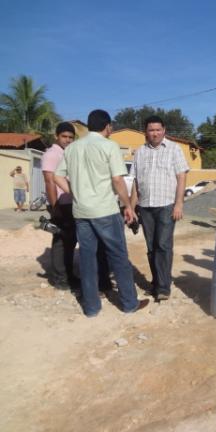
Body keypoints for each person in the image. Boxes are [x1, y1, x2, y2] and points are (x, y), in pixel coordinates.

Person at [54, 109, 149, 317]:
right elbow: (117, 180)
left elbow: (57, 177)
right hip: (105, 210)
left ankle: (91, 307)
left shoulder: (72, 148)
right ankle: (129, 303)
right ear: (108, 127)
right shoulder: (109, 146)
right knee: (119, 257)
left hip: (82, 212)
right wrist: (129, 207)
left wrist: (76, 193)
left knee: (87, 260)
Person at [130, 115, 189, 301]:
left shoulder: (174, 149)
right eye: (150, 130)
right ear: (145, 132)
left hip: (166, 205)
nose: (154, 133)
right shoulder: (140, 152)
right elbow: (135, 183)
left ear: (164, 130)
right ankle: (156, 283)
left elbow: (181, 177)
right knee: (151, 247)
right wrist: (131, 208)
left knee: (163, 245)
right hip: (146, 206)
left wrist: (179, 203)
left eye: (157, 130)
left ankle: (163, 287)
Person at [41, 122, 77, 290]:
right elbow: (49, 181)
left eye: (71, 137)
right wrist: (54, 207)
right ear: (57, 136)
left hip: (70, 203)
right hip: (60, 204)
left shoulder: (67, 153)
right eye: (64, 136)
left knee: (70, 240)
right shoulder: (51, 154)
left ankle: (68, 274)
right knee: (61, 241)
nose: (67, 140)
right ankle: (60, 278)